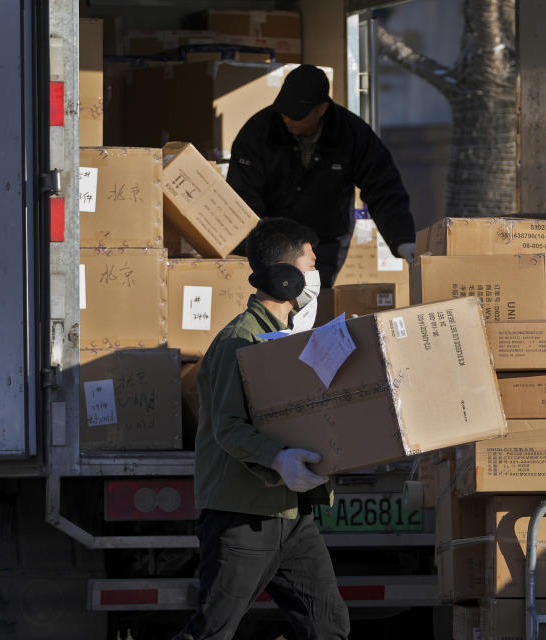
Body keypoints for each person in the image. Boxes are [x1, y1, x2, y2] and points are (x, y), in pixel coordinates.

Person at [174, 218, 350, 640]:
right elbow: (227, 428)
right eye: (310, 264)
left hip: (292, 517)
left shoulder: (289, 340)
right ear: (286, 276)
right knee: (211, 633)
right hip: (243, 518)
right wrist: (278, 458)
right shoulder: (240, 342)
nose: (315, 274)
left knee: (328, 628)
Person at [227, 64, 417, 287]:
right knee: (273, 299)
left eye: (298, 115)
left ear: (322, 109)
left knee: (313, 301)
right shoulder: (258, 131)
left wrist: (402, 239)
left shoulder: (351, 133)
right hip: (272, 240)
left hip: (324, 239)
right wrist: (254, 246)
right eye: (284, 111)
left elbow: (383, 187)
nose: (288, 119)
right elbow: (242, 196)